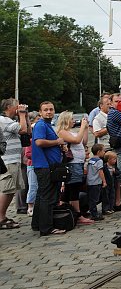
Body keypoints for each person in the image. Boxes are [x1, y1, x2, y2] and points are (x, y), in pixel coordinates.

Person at [31, 101, 67, 236]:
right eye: (45, 110)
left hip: (46, 165)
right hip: (44, 166)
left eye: (51, 109)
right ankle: (47, 228)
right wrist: (57, 142)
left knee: (41, 196)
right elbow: (39, 142)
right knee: (48, 197)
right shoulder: (41, 125)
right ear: (40, 112)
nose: (49, 112)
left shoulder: (47, 125)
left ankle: (37, 224)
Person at [55, 111, 93, 225]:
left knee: (74, 187)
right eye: (71, 119)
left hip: (79, 163)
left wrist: (85, 128)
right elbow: (76, 141)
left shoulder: (72, 132)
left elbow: (83, 141)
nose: (73, 121)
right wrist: (82, 127)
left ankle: (71, 211)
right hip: (73, 164)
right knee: (74, 188)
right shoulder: (62, 132)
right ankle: (77, 214)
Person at [0, 98, 29, 229]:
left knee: (12, 190)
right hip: (8, 160)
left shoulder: (11, 121)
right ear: (8, 107)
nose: (19, 108)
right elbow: (22, 130)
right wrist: (22, 115)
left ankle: (3, 215)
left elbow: (27, 131)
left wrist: (26, 116)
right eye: (17, 106)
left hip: (14, 160)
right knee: (7, 189)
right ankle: (0, 218)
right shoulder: (3, 120)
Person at [106, 93, 121, 210]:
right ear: (110, 103)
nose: (119, 104)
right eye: (116, 101)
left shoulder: (114, 113)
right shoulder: (115, 113)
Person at [86, 144, 106, 221]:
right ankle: (94, 214)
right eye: (103, 151)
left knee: (91, 198)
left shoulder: (90, 160)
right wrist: (104, 181)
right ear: (99, 152)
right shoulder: (99, 161)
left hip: (90, 182)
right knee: (95, 199)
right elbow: (101, 172)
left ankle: (92, 212)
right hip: (96, 182)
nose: (104, 152)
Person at [103, 151, 117, 215]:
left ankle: (111, 208)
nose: (115, 161)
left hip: (112, 184)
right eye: (114, 159)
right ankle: (106, 209)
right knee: (106, 197)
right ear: (109, 159)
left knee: (112, 196)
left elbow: (118, 173)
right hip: (107, 184)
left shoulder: (114, 167)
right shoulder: (104, 167)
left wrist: (115, 171)